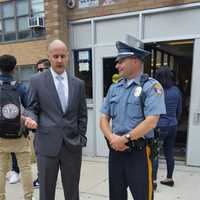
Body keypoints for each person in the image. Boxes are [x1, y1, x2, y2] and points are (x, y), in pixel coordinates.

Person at [100, 35, 166, 200]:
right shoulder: (114, 88)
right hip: (115, 152)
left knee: (143, 196)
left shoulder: (151, 87)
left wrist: (126, 138)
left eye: (121, 60)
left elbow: (152, 121)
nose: (117, 65)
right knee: (116, 196)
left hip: (139, 153)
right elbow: (103, 118)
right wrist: (112, 139)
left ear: (135, 61)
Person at [24, 39, 88, 200]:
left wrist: (81, 138)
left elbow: (82, 115)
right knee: (46, 191)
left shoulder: (78, 84)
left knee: (72, 191)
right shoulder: (36, 81)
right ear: (49, 57)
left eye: (62, 56)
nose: (59, 60)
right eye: (55, 56)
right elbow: (31, 107)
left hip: (72, 146)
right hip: (46, 145)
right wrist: (31, 119)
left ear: (67, 56)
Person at [0, 54, 34, 200]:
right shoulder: (21, 87)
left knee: (1, 170)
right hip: (20, 134)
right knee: (25, 168)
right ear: (14, 68)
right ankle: (28, 197)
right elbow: (30, 107)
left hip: (1, 135)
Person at [153, 66, 182, 189]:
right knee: (169, 152)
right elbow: (179, 110)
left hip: (160, 126)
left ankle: (153, 181)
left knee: (155, 153)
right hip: (173, 125)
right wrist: (174, 120)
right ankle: (169, 178)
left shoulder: (156, 90)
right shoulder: (176, 90)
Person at [32, 58, 50, 189]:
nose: (39, 72)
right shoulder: (35, 85)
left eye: (41, 69)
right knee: (40, 156)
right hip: (40, 130)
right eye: (37, 70)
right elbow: (31, 106)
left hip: (56, 132)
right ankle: (41, 177)